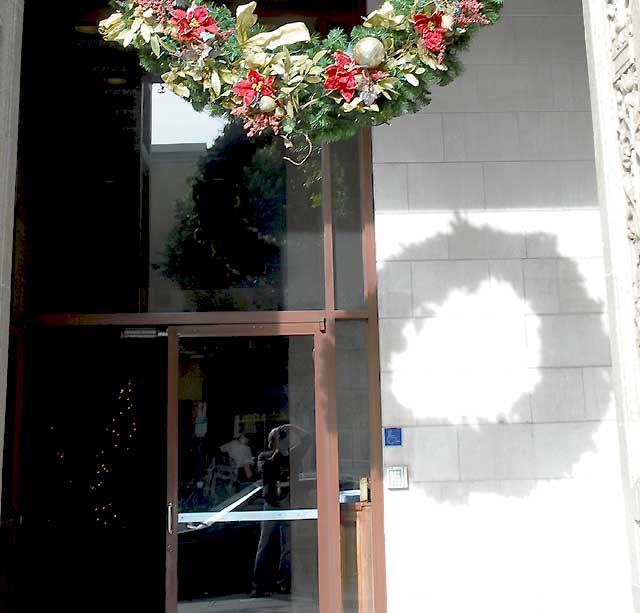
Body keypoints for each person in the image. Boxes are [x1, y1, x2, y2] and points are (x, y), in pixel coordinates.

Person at [249, 424, 311, 598]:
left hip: (288, 505)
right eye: (280, 438)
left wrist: (292, 428)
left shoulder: (293, 454)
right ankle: (257, 585)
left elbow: (309, 439)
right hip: (271, 506)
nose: (284, 441)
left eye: (284, 438)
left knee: (288, 547)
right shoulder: (265, 456)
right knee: (264, 545)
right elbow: (267, 469)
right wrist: (276, 442)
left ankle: (284, 584)